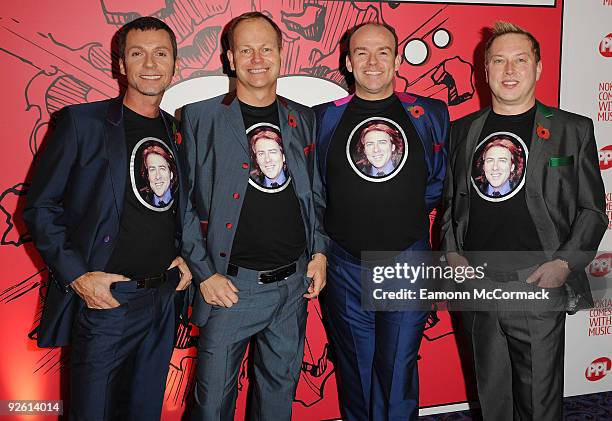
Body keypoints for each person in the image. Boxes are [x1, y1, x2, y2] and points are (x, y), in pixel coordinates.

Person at [23, 17, 192, 421]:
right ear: (121, 65)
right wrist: (79, 276)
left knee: (144, 411)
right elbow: (39, 207)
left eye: (160, 54)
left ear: (175, 65)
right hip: (107, 303)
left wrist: (184, 254)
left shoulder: (178, 130)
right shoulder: (83, 123)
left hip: (162, 300)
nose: (150, 63)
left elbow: (176, 206)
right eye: (138, 54)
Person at [441, 21, 607, 421]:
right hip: (479, 285)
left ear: (538, 68)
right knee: (492, 398)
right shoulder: (463, 130)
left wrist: (565, 263)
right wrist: (452, 254)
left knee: (538, 405)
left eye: (520, 60)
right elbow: (451, 204)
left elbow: (592, 209)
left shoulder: (572, 130)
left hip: (537, 283)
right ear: (485, 71)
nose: (509, 70)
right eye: (498, 61)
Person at [179, 12, 328, 421]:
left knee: (277, 401)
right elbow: (183, 203)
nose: (256, 58)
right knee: (210, 407)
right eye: (246, 49)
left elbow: (312, 192)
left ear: (282, 54)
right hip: (230, 288)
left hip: (292, 287)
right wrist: (205, 273)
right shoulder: (200, 117)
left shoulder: (302, 117)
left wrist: (318, 252)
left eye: (266, 48)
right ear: (230, 58)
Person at [314, 22, 448, 420]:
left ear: (396, 58)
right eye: (362, 53)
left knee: (397, 372)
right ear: (347, 61)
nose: (372, 62)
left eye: (383, 52)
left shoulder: (429, 114)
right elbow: (317, 190)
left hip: (405, 261)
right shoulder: (323, 119)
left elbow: (437, 181)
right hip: (343, 265)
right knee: (355, 371)